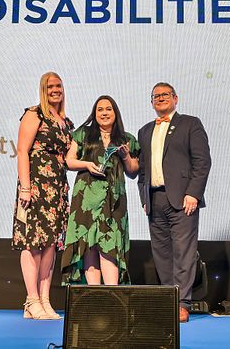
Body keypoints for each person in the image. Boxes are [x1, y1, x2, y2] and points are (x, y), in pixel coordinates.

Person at [137, 82, 211, 323]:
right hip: (155, 200)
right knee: (161, 253)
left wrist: (194, 193)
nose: (160, 99)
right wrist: (144, 197)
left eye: (165, 95)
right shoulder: (145, 130)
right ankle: (168, 300)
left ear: (175, 98)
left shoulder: (191, 124)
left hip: (182, 199)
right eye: (155, 96)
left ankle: (182, 303)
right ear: (151, 102)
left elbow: (202, 162)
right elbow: (143, 171)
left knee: (184, 253)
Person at [13, 72, 74, 320]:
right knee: (32, 242)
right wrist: (25, 188)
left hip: (57, 188)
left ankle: (45, 300)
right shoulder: (34, 114)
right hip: (35, 186)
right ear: (43, 89)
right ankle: (31, 300)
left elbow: (69, 159)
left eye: (58, 86)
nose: (55, 90)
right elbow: (22, 151)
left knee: (51, 244)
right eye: (50, 86)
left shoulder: (66, 123)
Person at [61, 95, 139, 286]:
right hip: (86, 198)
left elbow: (133, 171)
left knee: (110, 243)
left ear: (115, 112)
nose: (104, 113)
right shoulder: (83, 134)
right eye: (100, 109)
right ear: (94, 114)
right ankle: (94, 294)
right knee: (89, 245)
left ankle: (112, 294)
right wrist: (87, 164)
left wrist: (126, 156)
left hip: (114, 200)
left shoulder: (127, 139)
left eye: (108, 109)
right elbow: (69, 161)